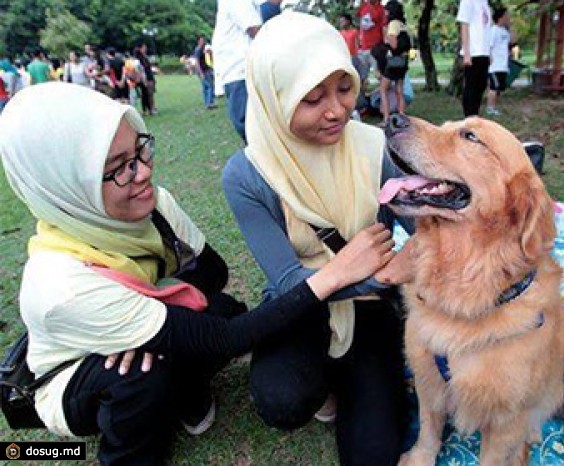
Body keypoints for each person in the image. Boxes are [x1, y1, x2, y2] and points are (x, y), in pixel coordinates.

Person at [0, 82, 394, 465]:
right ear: (66, 187)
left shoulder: (151, 206)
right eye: (117, 169)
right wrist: (336, 273)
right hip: (79, 372)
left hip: (148, 315)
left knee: (223, 310)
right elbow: (223, 340)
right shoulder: (61, 287)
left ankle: (183, 384)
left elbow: (212, 273)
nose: (141, 173)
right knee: (141, 374)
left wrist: (143, 314)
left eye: (138, 149)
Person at [222, 13, 415, 466]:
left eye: (344, 88)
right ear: (274, 100)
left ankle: (356, 377)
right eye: (312, 98)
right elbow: (289, 281)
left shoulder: (374, 148)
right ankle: (330, 382)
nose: (337, 111)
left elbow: (425, 230)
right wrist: (363, 271)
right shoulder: (248, 175)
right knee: (282, 400)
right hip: (299, 306)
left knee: (374, 454)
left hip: (370, 309)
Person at [212, 0, 262, 143]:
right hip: (240, 71)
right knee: (249, 126)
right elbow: (255, 29)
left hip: (240, 72)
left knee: (250, 126)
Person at [373, 0, 411, 126]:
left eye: (386, 10)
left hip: (393, 62)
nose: (385, 12)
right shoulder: (403, 24)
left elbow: (393, 45)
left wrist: (386, 39)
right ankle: (402, 116)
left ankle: (386, 119)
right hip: (403, 62)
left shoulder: (393, 24)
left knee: (383, 89)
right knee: (399, 90)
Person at [457, 0, 492, 116]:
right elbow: (464, 26)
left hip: (484, 51)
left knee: (481, 85)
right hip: (473, 52)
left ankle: (475, 114)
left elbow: (487, 29)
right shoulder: (467, 1)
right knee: (471, 87)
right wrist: (467, 52)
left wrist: (489, 51)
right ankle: (469, 116)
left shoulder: (485, 2)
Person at [485, 7, 510, 116]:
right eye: (506, 16)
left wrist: (511, 26)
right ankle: (490, 108)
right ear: (500, 17)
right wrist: (490, 59)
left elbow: (512, 41)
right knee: (493, 87)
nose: (508, 18)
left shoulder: (505, 31)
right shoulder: (493, 30)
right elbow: (488, 46)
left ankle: (494, 106)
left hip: (503, 65)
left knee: (499, 88)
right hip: (494, 66)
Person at [356, 0, 386, 88]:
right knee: (362, 76)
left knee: (378, 74)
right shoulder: (364, 6)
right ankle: (362, 99)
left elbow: (384, 28)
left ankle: (387, 91)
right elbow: (357, 14)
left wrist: (384, 45)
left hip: (375, 47)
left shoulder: (381, 9)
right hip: (363, 48)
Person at [134, 43, 157, 115]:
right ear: (140, 49)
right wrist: (144, 80)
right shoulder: (139, 59)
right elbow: (140, 70)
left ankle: (150, 108)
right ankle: (149, 109)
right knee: (147, 94)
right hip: (145, 78)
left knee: (149, 93)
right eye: (144, 47)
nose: (145, 49)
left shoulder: (145, 57)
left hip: (149, 76)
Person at [194, 35, 216, 109]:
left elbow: (210, 57)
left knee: (206, 87)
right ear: (198, 41)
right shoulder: (198, 50)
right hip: (204, 71)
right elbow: (197, 62)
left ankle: (208, 103)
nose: (203, 42)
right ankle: (209, 103)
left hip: (207, 69)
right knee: (210, 86)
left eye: (203, 40)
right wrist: (200, 73)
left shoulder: (205, 49)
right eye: (201, 40)